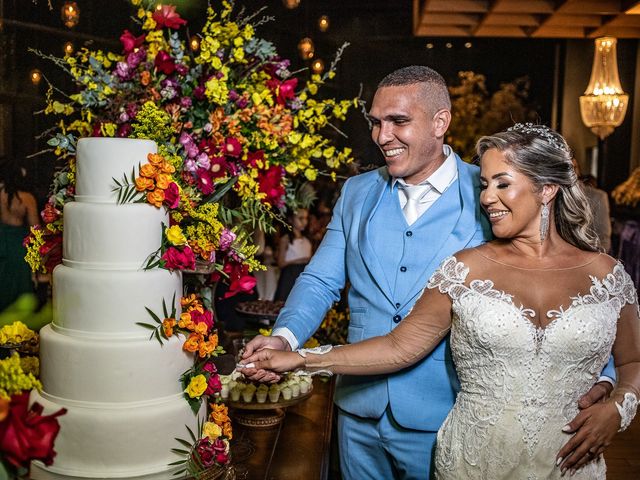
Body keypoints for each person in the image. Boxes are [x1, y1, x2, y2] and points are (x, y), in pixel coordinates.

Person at [241, 124, 640, 479]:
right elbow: (397, 343)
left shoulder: (607, 274)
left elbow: (626, 360)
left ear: (547, 189)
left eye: (502, 184)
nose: (486, 197)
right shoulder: (463, 268)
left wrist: (616, 405)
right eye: (484, 184)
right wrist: (300, 356)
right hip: (473, 457)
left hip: (567, 462)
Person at [242, 65, 492, 479]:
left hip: (446, 412)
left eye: (399, 121)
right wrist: (284, 337)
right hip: (357, 410)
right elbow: (321, 279)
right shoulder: (357, 192)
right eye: (376, 122)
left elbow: (542, 283)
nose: (382, 136)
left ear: (440, 122)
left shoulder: (486, 193)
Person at [0, 159, 39, 312]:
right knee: (19, 282)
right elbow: (35, 229)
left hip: (2, 242)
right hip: (18, 244)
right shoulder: (27, 198)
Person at [572, 157, 612, 253]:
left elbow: (603, 240)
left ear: (578, 171)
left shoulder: (597, 197)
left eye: (573, 168)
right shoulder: (544, 196)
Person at [273, 207, 312, 302]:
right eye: (300, 218)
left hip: (303, 277)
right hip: (289, 277)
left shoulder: (307, 240)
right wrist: (299, 261)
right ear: (291, 219)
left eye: (306, 218)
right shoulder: (285, 239)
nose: (304, 222)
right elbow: (280, 263)